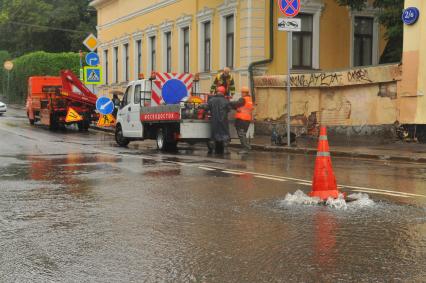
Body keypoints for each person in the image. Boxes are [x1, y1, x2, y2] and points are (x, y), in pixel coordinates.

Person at [204, 86, 243, 154]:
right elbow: (228, 109)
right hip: (223, 120)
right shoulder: (225, 101)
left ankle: (212, 150)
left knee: (213, 134)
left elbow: (206, 107)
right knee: (224, 134)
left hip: (214, 120)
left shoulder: (211, 100)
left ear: (217, 91)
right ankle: (225, 150)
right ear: (224, 92)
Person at [235, 87, 254, 154]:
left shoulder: (243, 99)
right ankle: (246, 147)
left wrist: (229, 104)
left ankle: (246, 148)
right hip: (247, 120)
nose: (241, 93)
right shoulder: (250, 99)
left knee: (241, 134)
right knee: (243, 134)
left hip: (241, 119)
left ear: (245, 93)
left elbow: (236, 104)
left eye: (242, 92)